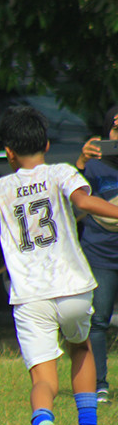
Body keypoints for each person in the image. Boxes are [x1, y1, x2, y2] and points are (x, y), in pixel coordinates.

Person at [0, 105, 116, 425]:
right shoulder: (61, 172)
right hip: (73, 288)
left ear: (9, 152)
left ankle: (45, 422)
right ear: (46, 145)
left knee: (43, 380)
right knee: (81, 348)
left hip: (30, 297)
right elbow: (84, 203)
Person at [74, 104, 118, 404]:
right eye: (116, 130)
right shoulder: (93, 165)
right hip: (99, 252)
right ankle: (99, 384)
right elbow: (69, 195)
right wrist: (80, 161)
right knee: (98, 320)